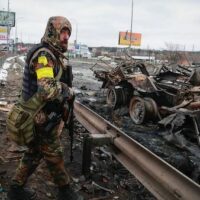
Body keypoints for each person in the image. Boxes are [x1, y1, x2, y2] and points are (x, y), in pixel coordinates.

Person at [7, 16, 83, 200]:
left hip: (40, 114)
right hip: (36, 116)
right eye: (62, 32)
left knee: (34, 153)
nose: (65, 37)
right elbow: (47, 88)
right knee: (53, 153)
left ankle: (15, 189)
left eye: (68, 33)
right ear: (52, 32)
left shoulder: (53, 54)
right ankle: (65, 192)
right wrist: (67, 90)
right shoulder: (43, 55)